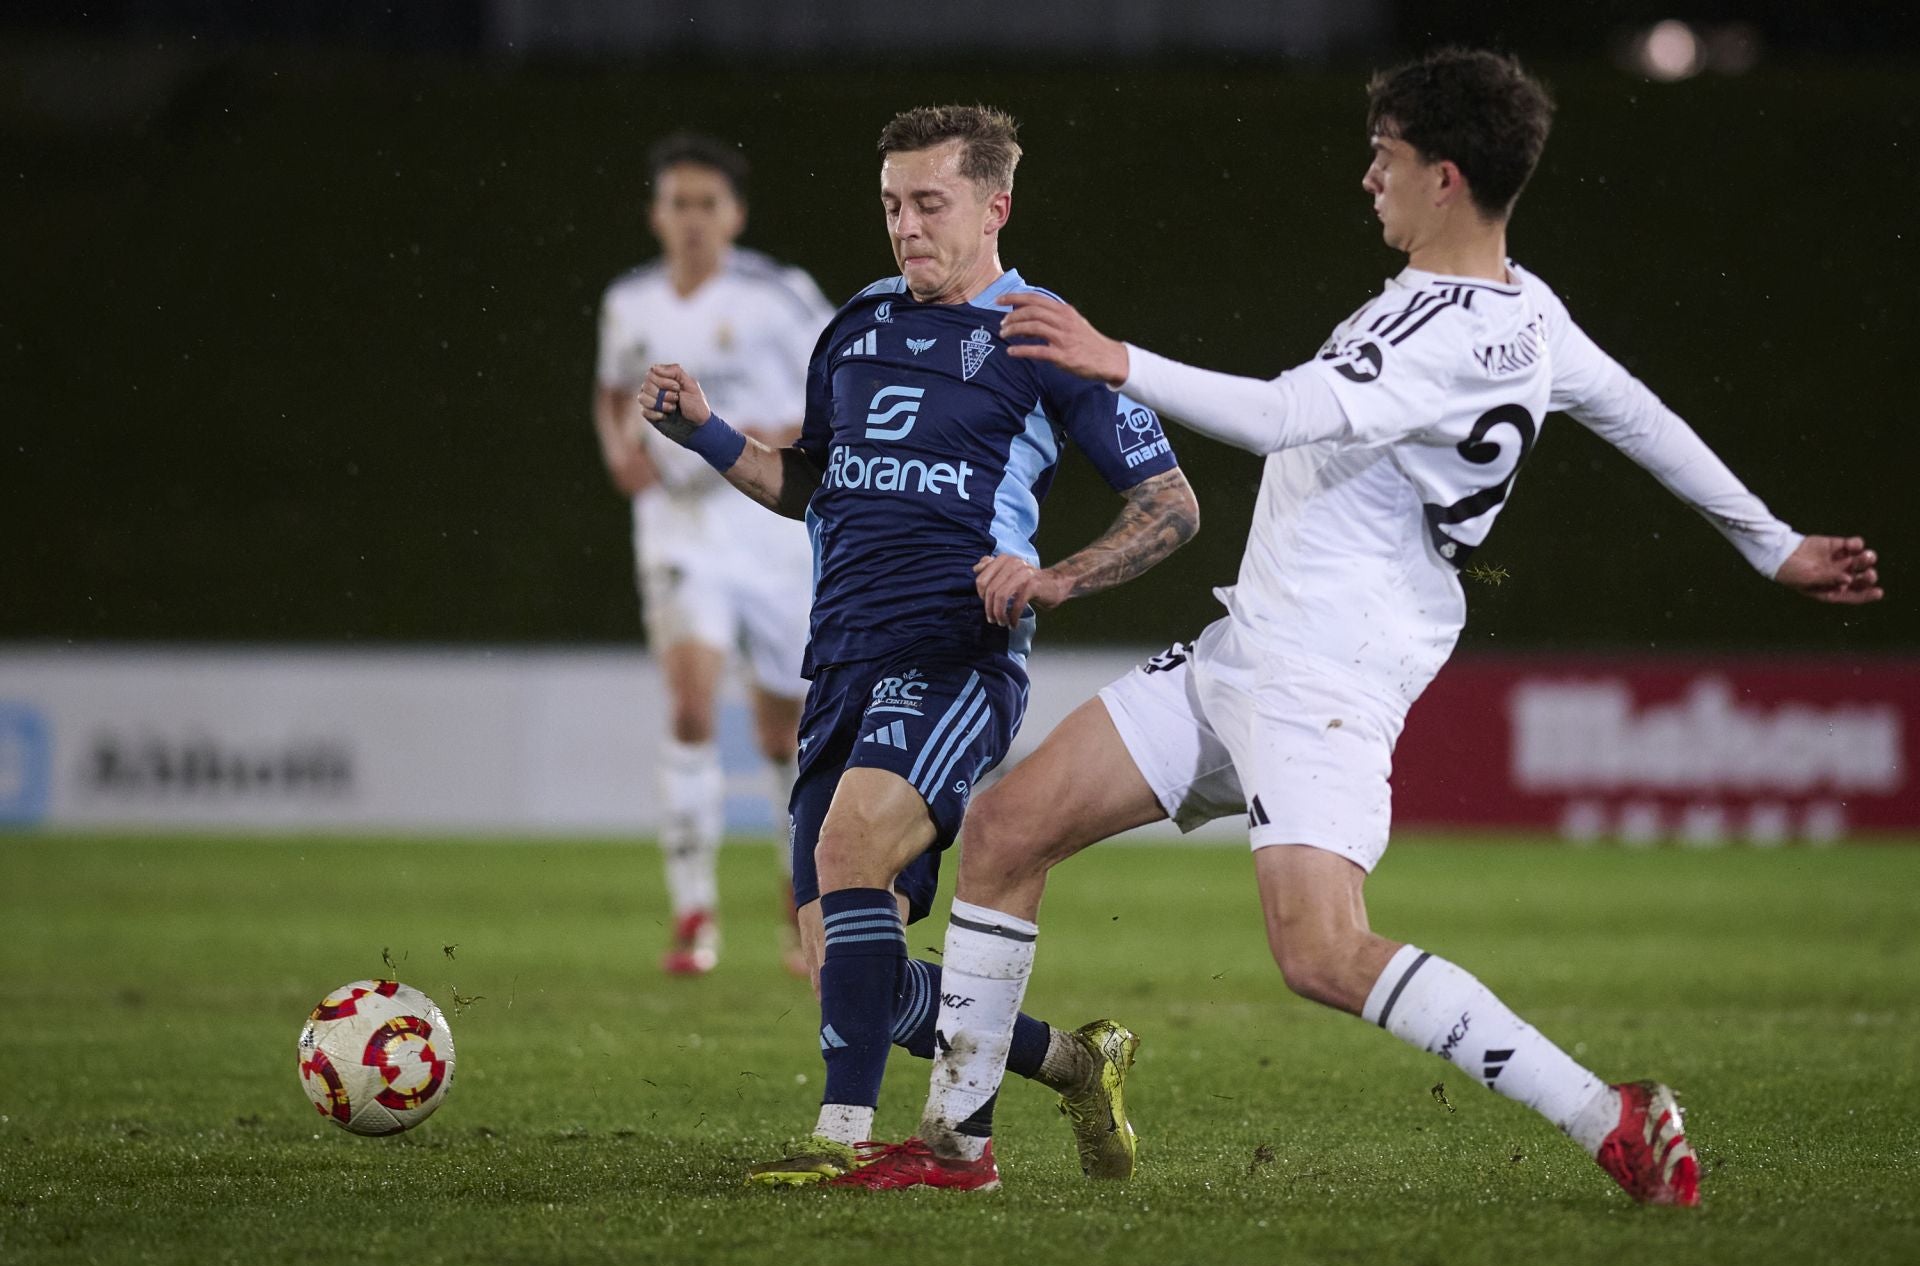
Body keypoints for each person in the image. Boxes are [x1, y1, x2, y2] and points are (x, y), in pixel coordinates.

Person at [843, 49, 1884, 1198]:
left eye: (1383, 156)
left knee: (1324, 952)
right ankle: (957, 1148)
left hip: (1322, 669)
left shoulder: (1436, 328)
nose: (1365, 178)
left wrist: (1115, 358)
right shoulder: (1525, 312)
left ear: (1445, 176)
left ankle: (1608, 1111)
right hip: (1255, 644)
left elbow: (1287, 413)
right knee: (1004, 828)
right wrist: (1770, 540)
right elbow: (1636, 412)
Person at [638, 104, 1201, 1188]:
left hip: (954, 654)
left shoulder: (1043, 337)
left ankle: (841, 1137)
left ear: (995, 207)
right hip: (839, 655)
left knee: (850, 854)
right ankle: (1075, 1060)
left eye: (930, 204)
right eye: (893, 205)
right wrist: (707, 433)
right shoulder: (854, 325)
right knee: (844, 960)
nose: (906, 227)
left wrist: (1054, 576)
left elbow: (1171, 505)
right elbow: (814, 485)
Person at [594, 134, 833, 976]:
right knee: (691, 709)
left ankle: (794, 899)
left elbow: (842, 386)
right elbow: (614, 390)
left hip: (767, 523)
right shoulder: (628, 301)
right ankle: (694, 915)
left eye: (707, 204)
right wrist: (618, 449)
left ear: (733, 213)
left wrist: (762, 436)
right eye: (678, 203)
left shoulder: (779, 295)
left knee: (785, 733)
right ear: (657, 213)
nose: (692, 219)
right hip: (679, 529)